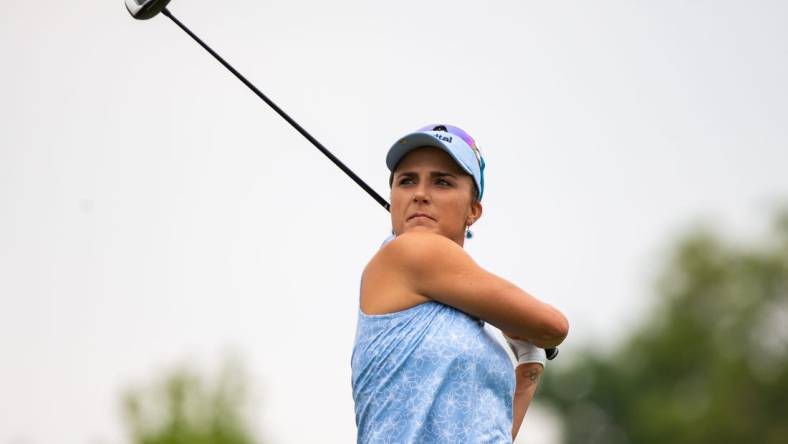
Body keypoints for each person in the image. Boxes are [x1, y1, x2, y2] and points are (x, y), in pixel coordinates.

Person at [351, 124, 569, 443]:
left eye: (442, 182)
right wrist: (530, 332)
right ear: (392, 198)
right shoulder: (407, 252)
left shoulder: (460, 316)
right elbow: (553, 326)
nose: (420, 194)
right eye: (407, 181)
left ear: (473, 210)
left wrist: (528, 366)